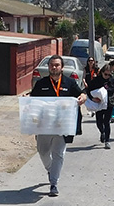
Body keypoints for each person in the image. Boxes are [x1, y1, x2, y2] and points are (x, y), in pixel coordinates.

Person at [29, 54, 86, 196]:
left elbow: (81, 94)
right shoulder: (41, 84)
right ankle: (50, 169)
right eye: (52, 65)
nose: (54, 67)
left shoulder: (69, 83)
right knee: (42, 152)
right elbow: (32, 101)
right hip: (44, 125)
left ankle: (54, 183)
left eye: (57, 65)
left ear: (62, 67)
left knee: (58, 154)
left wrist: (83, 96)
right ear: (48, 67)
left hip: (62, 126)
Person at [85, 61, 114, 149]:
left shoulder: (112, 80)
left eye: (109, 74)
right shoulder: (96, 80)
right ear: (102, 72)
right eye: (105, 74)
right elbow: (88, 90)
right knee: (99, 122)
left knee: (106, 122)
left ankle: (107, 141)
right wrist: (92, 98)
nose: (107, 76)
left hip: (109, 104)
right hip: (99, 104)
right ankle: (102, 132)